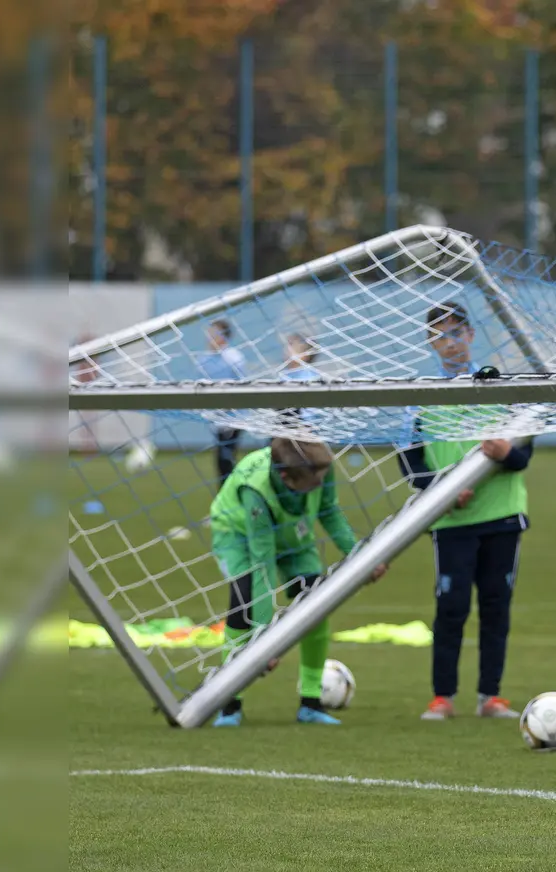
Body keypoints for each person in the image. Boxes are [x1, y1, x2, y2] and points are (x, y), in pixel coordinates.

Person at [399, 302, 533, 721]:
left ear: (471, 335)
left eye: (455, 332)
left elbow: (526, 450)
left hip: (503, 515)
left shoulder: (497, 385)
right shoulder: (419, 396)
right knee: (451, 608)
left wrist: (508, 453)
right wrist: (437, 490)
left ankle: (490, 696)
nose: (449, 341)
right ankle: (443, 696)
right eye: (439, 334)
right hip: (451, 520)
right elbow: (408, 459)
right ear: (429, 341)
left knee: (496, 607)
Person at [209, 438, 386, 727]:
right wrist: (264, 643)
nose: (319, 485)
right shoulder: (256, 491)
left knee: (315, 603)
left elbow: (329, 511)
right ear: (286, 478)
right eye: (312, 482)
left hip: (294, 531)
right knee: (242, 604)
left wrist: (360, 555)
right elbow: (262, 566)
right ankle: (230, 705)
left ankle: (310, 704)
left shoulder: (320, 467)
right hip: (239, 534)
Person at [202, 320, 248, 486]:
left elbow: (242, 388)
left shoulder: (234, 358)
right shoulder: (204, 360)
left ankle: (231, 497)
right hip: (216, 419)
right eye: (209, 332)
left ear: (224, 335)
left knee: (226, 459)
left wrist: (228, 406)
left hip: (235, 418)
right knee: (221, 462)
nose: (210, 337)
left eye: (215, 333)